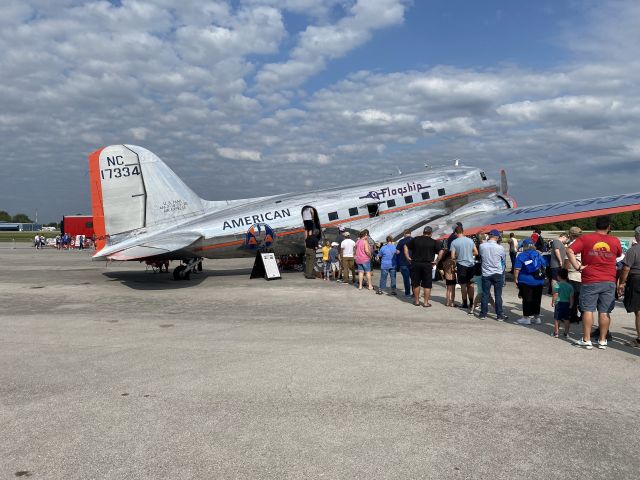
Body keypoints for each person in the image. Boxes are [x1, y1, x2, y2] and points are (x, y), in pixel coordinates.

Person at [566, 215, 622, 350]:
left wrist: (578, 266)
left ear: (596, 225)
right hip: (609, 279)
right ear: (609, 227)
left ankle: (586, 339)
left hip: (590, 279)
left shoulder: (585, 238)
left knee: (588, 309)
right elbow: (619, 254)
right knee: (605, 311)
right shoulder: (615, 240)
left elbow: (569, 250)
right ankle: (602, 340)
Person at [404, 226, 444, 307]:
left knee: (416, 283)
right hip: (427, 264)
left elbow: (405, 246)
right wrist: (436, 261)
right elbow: (441, 251)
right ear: (431, 233)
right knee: (427, 284)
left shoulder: (416, 239)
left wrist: (407, 257)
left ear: (423, 232)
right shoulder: (433, 242)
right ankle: (425, 303)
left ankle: (417, 301)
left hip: (416, 263)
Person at [514, 238, 547, 325]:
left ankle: (526, 318)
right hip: (539, 280)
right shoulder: (538, 254)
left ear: (524, 246)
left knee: (527, 299)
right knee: (537, 299)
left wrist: (516, 279)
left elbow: (517, 269)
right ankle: (537, 317)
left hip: (526, 280)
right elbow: (544, 265)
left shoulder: (521, 255)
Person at [478, 229, 508, 320]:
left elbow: (481, 257)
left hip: (486, 272)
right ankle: (499, 314)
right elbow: (503, 260)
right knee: (498, 295)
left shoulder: (482, 246)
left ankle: (483, 314)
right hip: (497, 272)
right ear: (497, 237)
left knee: (485, 294)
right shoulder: (500, 248)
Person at [618, 226, 640, 346]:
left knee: (639, 311)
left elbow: (626, 268)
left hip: (636, 279)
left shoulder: (633, 250)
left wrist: (622, 282)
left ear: (637, 236)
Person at [450, 226, 478, 309]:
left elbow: (452, 256)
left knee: (463, 285)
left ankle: (465, 303)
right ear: (463, 231)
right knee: (471, 284)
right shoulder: (470, 240)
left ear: (455, 233)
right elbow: (476, 252)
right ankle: (472, 303)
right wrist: (469, 254)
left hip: (461, 265)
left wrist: (459, 256)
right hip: (471, 265)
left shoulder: (454, 242)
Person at [564, 226, 583, 324]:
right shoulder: (583, 244)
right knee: (579, 296)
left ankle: (572, 316)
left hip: (572, 274)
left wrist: (564, 273)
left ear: (570, 235)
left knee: (572, 297)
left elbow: (567, 262)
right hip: (581, 273)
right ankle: (582, 314)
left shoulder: (571, 246)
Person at [552, 268, 574, 338]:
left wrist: (553, 302)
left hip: (558, 303)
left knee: (557, 319)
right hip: (566, 304)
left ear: (558, 276)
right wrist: (571, 304)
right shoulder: (570, 286)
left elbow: (555, 294)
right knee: (566, 319)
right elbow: (571, 297)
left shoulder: (557, 284)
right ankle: (566, 333)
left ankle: (556, 333)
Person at [395, 230, 413, 297]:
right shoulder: (414, 240)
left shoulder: (401, 241)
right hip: (413, 262)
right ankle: (415, 293)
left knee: (406, 279)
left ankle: (407, 294)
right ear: (410, 234)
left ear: (404, 234)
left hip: (404, 262)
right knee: (414, 279)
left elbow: (397, 251)